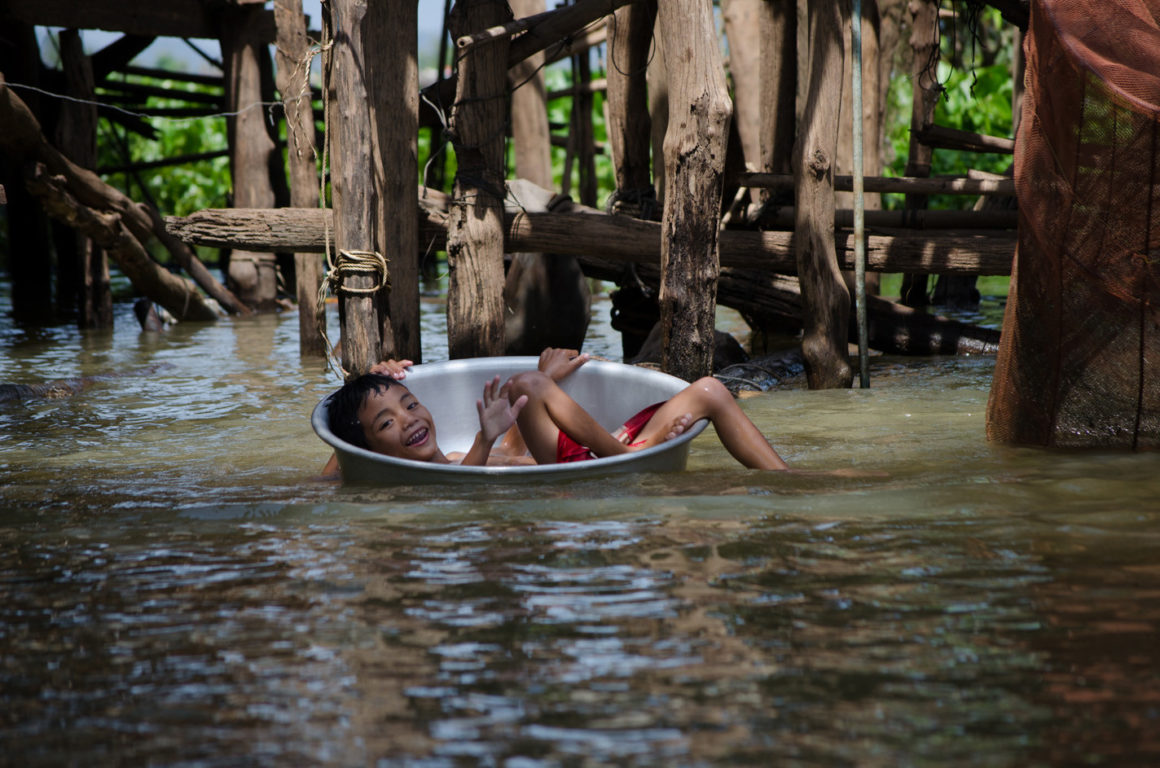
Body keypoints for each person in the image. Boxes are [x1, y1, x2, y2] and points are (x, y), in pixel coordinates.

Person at [321, 348, 788, 476]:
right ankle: (625, 455)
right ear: (366, 446)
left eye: (409, 404)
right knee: (526, 384)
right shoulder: (449, 471)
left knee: (709, 389)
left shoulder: (470, 449)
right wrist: (359, 383)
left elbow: (512, 444)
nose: (408, 420)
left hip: (597, 457)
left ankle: (788, 478)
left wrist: (548, 387)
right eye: (385, 423)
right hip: (597, 468)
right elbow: (343, 458)